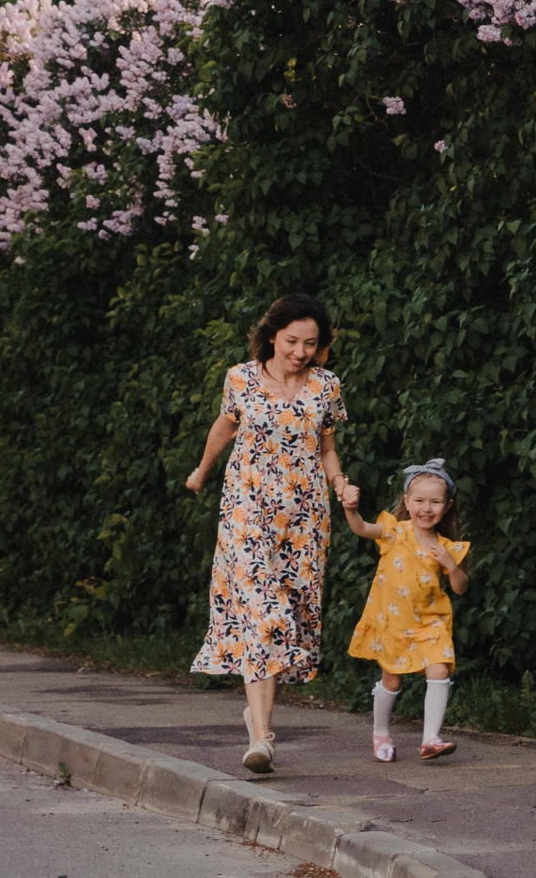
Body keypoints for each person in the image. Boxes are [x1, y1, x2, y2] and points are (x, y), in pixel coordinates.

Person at [184, 293, 354, 775]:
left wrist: (341, 484)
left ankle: (257, 718)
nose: (300, 351)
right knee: (263, 612)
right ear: (272, 336)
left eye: (311, 343)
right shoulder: (240, 377)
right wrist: (201, 470)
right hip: (247, 512)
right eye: (292, 341)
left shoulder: (326, 386)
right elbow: (224, 426)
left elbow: (327, 450)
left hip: (303, 520)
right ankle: (262, 738)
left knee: (288, 619)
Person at [342, 459, 472, 761]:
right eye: (420, 501)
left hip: (431, 622)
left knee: (439, 669)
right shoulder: (395, 532)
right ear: (406, 502)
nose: (427, 508)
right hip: (394, 623)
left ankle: (431, 739)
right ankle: (381, 734)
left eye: (435, 502)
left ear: (447, 506)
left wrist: (450, 566)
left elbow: (460, 587)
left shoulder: (447, 546)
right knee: (392, 680)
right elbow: (361, 529)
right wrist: (351, 509)